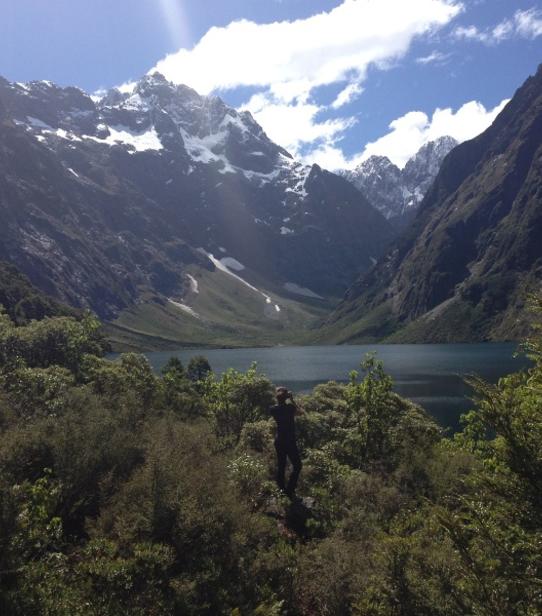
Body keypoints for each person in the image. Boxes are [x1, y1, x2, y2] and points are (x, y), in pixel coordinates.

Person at [269, 386, 303, 497]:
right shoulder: (290, 408)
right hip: (290, 441)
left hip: (279, 441)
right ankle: (290, 490)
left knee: (281, 465)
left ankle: (281, 490)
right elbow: (300, 412)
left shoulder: (273, 409)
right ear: (286, 397)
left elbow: (279, 404)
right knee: (297, 465)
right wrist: (292, 399)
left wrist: (284, 397)